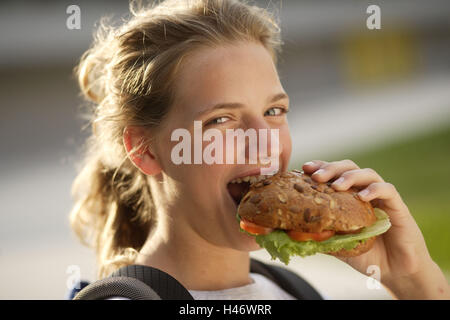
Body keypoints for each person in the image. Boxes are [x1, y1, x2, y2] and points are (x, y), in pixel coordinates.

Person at [69, 0, 450, 300]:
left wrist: (411, 279)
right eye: (221, 120)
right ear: (145, 149)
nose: (264, 141)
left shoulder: (298, 292)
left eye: (273, 111)